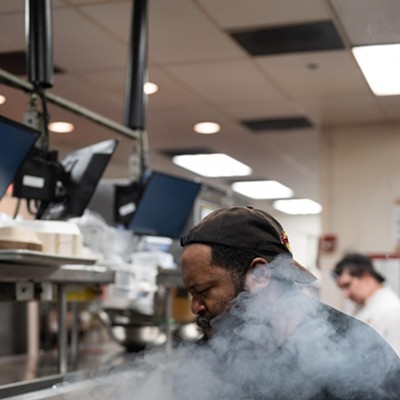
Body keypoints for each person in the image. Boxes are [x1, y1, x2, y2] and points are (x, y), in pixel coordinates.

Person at [173, 206, 400, 400]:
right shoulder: (206, 358)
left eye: (203, 290)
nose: (196, 307)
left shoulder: (358, 352)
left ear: (260, 275)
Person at [333, 252, 400, 356]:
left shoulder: (391, 310)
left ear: (366, 278)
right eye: (342, 288)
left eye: (347, 285)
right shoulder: (364, 307)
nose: (345, 294)